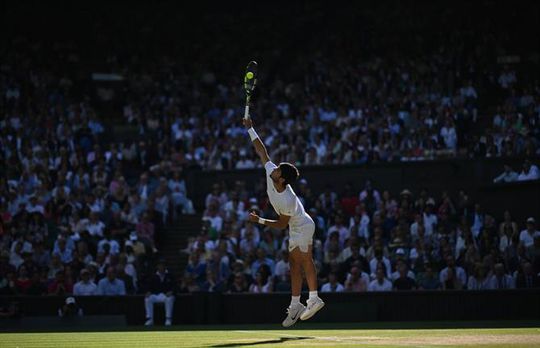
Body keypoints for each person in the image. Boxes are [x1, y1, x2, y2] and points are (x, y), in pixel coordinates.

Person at [243, 117, 324, 327]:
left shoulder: (287, 199)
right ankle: (296, 305)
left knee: (304, 259)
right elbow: (262, 151)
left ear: (282, 180)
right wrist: (251, 128)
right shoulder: (271, 172)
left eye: (278, 170)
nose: (274, 169)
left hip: (303, 225)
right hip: (295, 227)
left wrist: (258, 220)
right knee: (293, 265)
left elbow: (280, 225)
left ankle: (314, 299)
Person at [144, 260, 175, 326]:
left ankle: (168, 319)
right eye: (160, 265)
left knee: (169, 299)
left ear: (165, 266)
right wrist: (148, 292)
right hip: (156, 295)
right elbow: (149, 286)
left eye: (163, 265)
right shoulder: (153, 276)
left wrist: (172, 291)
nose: (161, 267)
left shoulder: (170, 275)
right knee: (147, 299)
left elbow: (175, 286)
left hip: (166, 296)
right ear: (157, 266)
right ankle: (150, 319)